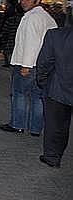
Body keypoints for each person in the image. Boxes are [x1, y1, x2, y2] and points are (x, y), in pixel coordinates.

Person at [0, 0, 58, 136]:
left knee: (19, 94)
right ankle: (35, 129)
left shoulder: (32, 18)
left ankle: (17, 124)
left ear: (37, 1)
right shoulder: (46, 17)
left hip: (28, 64)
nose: (24, 2)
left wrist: (26, 66)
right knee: (37, 97)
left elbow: (31, 43)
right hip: (42, 65)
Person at [36, 26, 73, 168]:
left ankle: (53, 157)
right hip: (58, 88)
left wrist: (43, 82)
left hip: (58, 89)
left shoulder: (56, 35)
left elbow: (44, 62)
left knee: (56, 126)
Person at [0, 0, 23, 67]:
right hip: (16, 37)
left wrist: (2, 32)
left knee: (10, 50)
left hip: (11, 36)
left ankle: (10, 62)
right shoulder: (25, 18)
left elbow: (5, 29)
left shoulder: (11, 17)